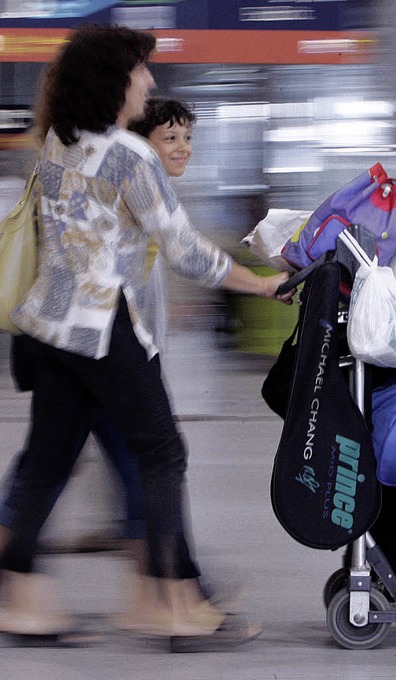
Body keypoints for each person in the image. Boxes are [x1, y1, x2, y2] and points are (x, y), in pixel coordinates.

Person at [0, 24, 292, 648]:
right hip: (106, 330)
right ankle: (170, 605)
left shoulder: (58, 143)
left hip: (50, 327)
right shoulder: (128, 156)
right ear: (114, 82)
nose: (150, 81)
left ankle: (20, 597)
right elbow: (185, 249)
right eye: (140, 71)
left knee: (47, 463)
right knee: (163, 454)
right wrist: (263, 283)